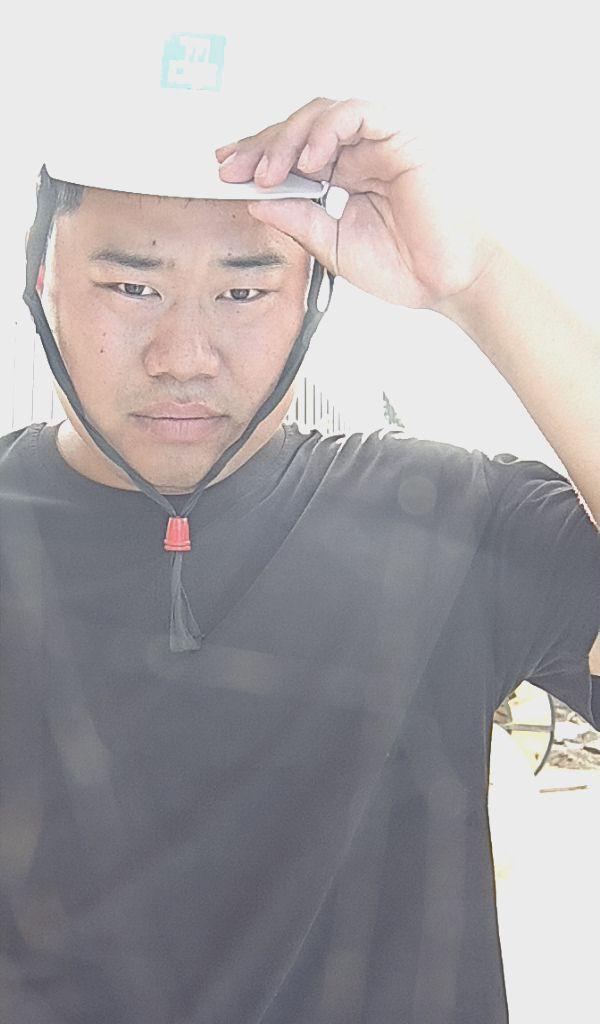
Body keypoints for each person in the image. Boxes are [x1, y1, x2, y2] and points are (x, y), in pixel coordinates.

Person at [2, 32, 600, 1024]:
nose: (184, 355)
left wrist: (476, 282)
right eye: (131, 286)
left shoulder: (450, 520)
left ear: (315, 296)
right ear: (42, 283)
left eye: (244, 291)